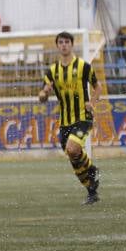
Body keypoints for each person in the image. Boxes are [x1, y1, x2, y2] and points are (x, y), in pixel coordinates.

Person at [37, 31, 102, 206]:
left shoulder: (83, 66)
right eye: (61, 42)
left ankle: (92, 170)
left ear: (72, 45)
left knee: (73, 149)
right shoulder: (52, 72)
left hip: (83, 117)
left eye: (67, 42)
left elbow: (98, 87)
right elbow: (41, 97)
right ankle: (91, 188)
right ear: (57, 46)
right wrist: (45, 93)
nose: (64, 45)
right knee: (73, 157)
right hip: (65, 121)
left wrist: (92, 103)